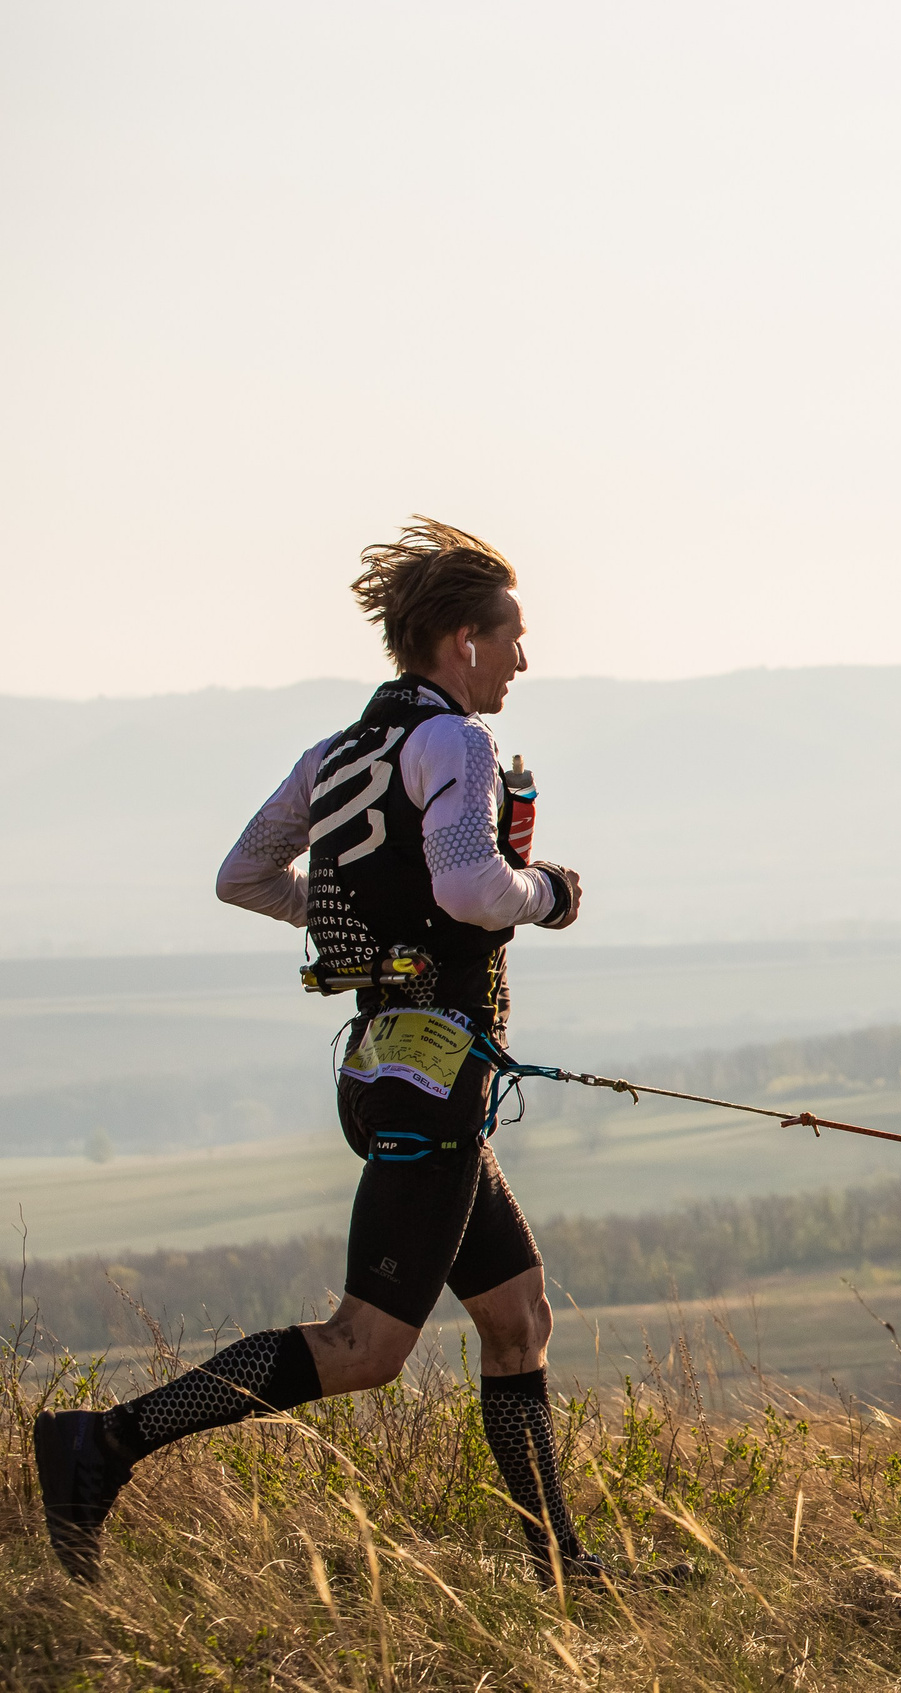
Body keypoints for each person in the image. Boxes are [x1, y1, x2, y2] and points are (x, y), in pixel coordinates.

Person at [34, 518, 648, 1587]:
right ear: (462, 641)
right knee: (365, 1347)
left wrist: (352, 920)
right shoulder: (457, 743)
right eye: (512, 636)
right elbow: (471, 887)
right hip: (430, 1082)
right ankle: (104, 1442)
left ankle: (562, 1569)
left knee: (518, 1317)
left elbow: (242, 874)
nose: (522, 657)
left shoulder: (338, 753)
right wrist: (549, 894)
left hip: (386, 1068)